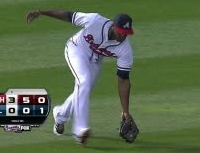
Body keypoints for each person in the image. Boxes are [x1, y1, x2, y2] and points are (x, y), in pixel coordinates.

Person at [26, 9, 136, 144]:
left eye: (126, 33)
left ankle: (60, 115)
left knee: (83, 90)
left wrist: (125, 111)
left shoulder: (125, 51)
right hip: (76, 50)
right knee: (83, 82)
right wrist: (41, 12)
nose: (123, 36)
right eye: (121, 31)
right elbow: (68, 16)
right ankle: (80, 130)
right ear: (113, 26)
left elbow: (123, 80)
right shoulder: (94, 20)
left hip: (95, 62)